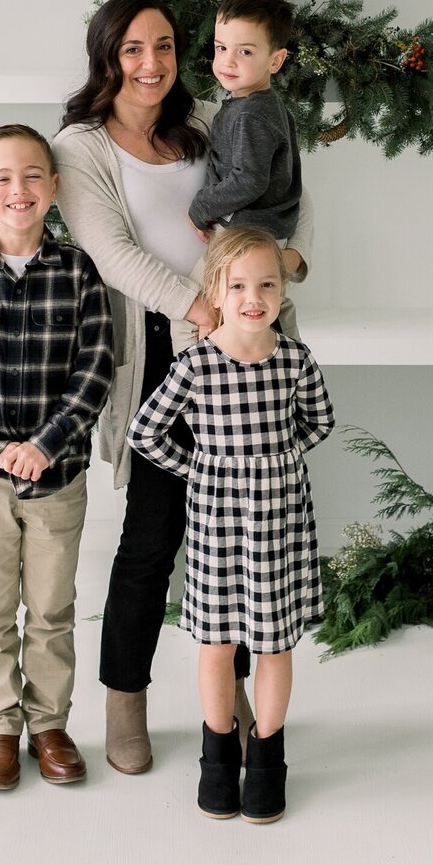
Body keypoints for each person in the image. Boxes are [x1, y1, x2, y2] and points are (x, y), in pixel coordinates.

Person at [53, 0, 315, 777]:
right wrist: (203, 311)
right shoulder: (80, 147)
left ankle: (227, 706)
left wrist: (291, 264)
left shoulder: (211, 115)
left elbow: (281, 190)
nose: (152, 63)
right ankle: (125, 698)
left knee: (241, 541)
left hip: (251, 349)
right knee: (152, 541)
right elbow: (113, 256)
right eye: (133, 49)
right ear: (107, 57)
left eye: (164, 45)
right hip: (170, 354)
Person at [0, 123, 114, 793]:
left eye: (33, 175)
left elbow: (95, 370)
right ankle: (0, 729)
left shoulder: (78, 273)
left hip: (57, 476)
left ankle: (50, 724)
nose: (19, 189)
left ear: (55, 189)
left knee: (52, 606)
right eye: (2, 178)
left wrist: (46, 444)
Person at [128, 225, 334, 824]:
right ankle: (218, 758)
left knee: (274, 643)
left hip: (280, 524)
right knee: (217, 643)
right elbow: (146, 433)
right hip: (218, 522)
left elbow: (318, 422)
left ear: (281, 289)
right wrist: (201, 469)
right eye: (238, 284)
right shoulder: (196, 362)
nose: (254, 296)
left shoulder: (294, 359)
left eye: (267, 284)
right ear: (215, 289)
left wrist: (275, 461)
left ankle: (268, 759)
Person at [188, 0, 301, 243]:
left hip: (248, 235)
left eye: (245, 52)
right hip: (255, 231)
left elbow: (249, 180)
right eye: (221, 47)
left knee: (207, 282)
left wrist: (201, 207)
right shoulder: (263, 105)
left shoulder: (252, 114)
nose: (228, 62)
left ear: (275, 61)